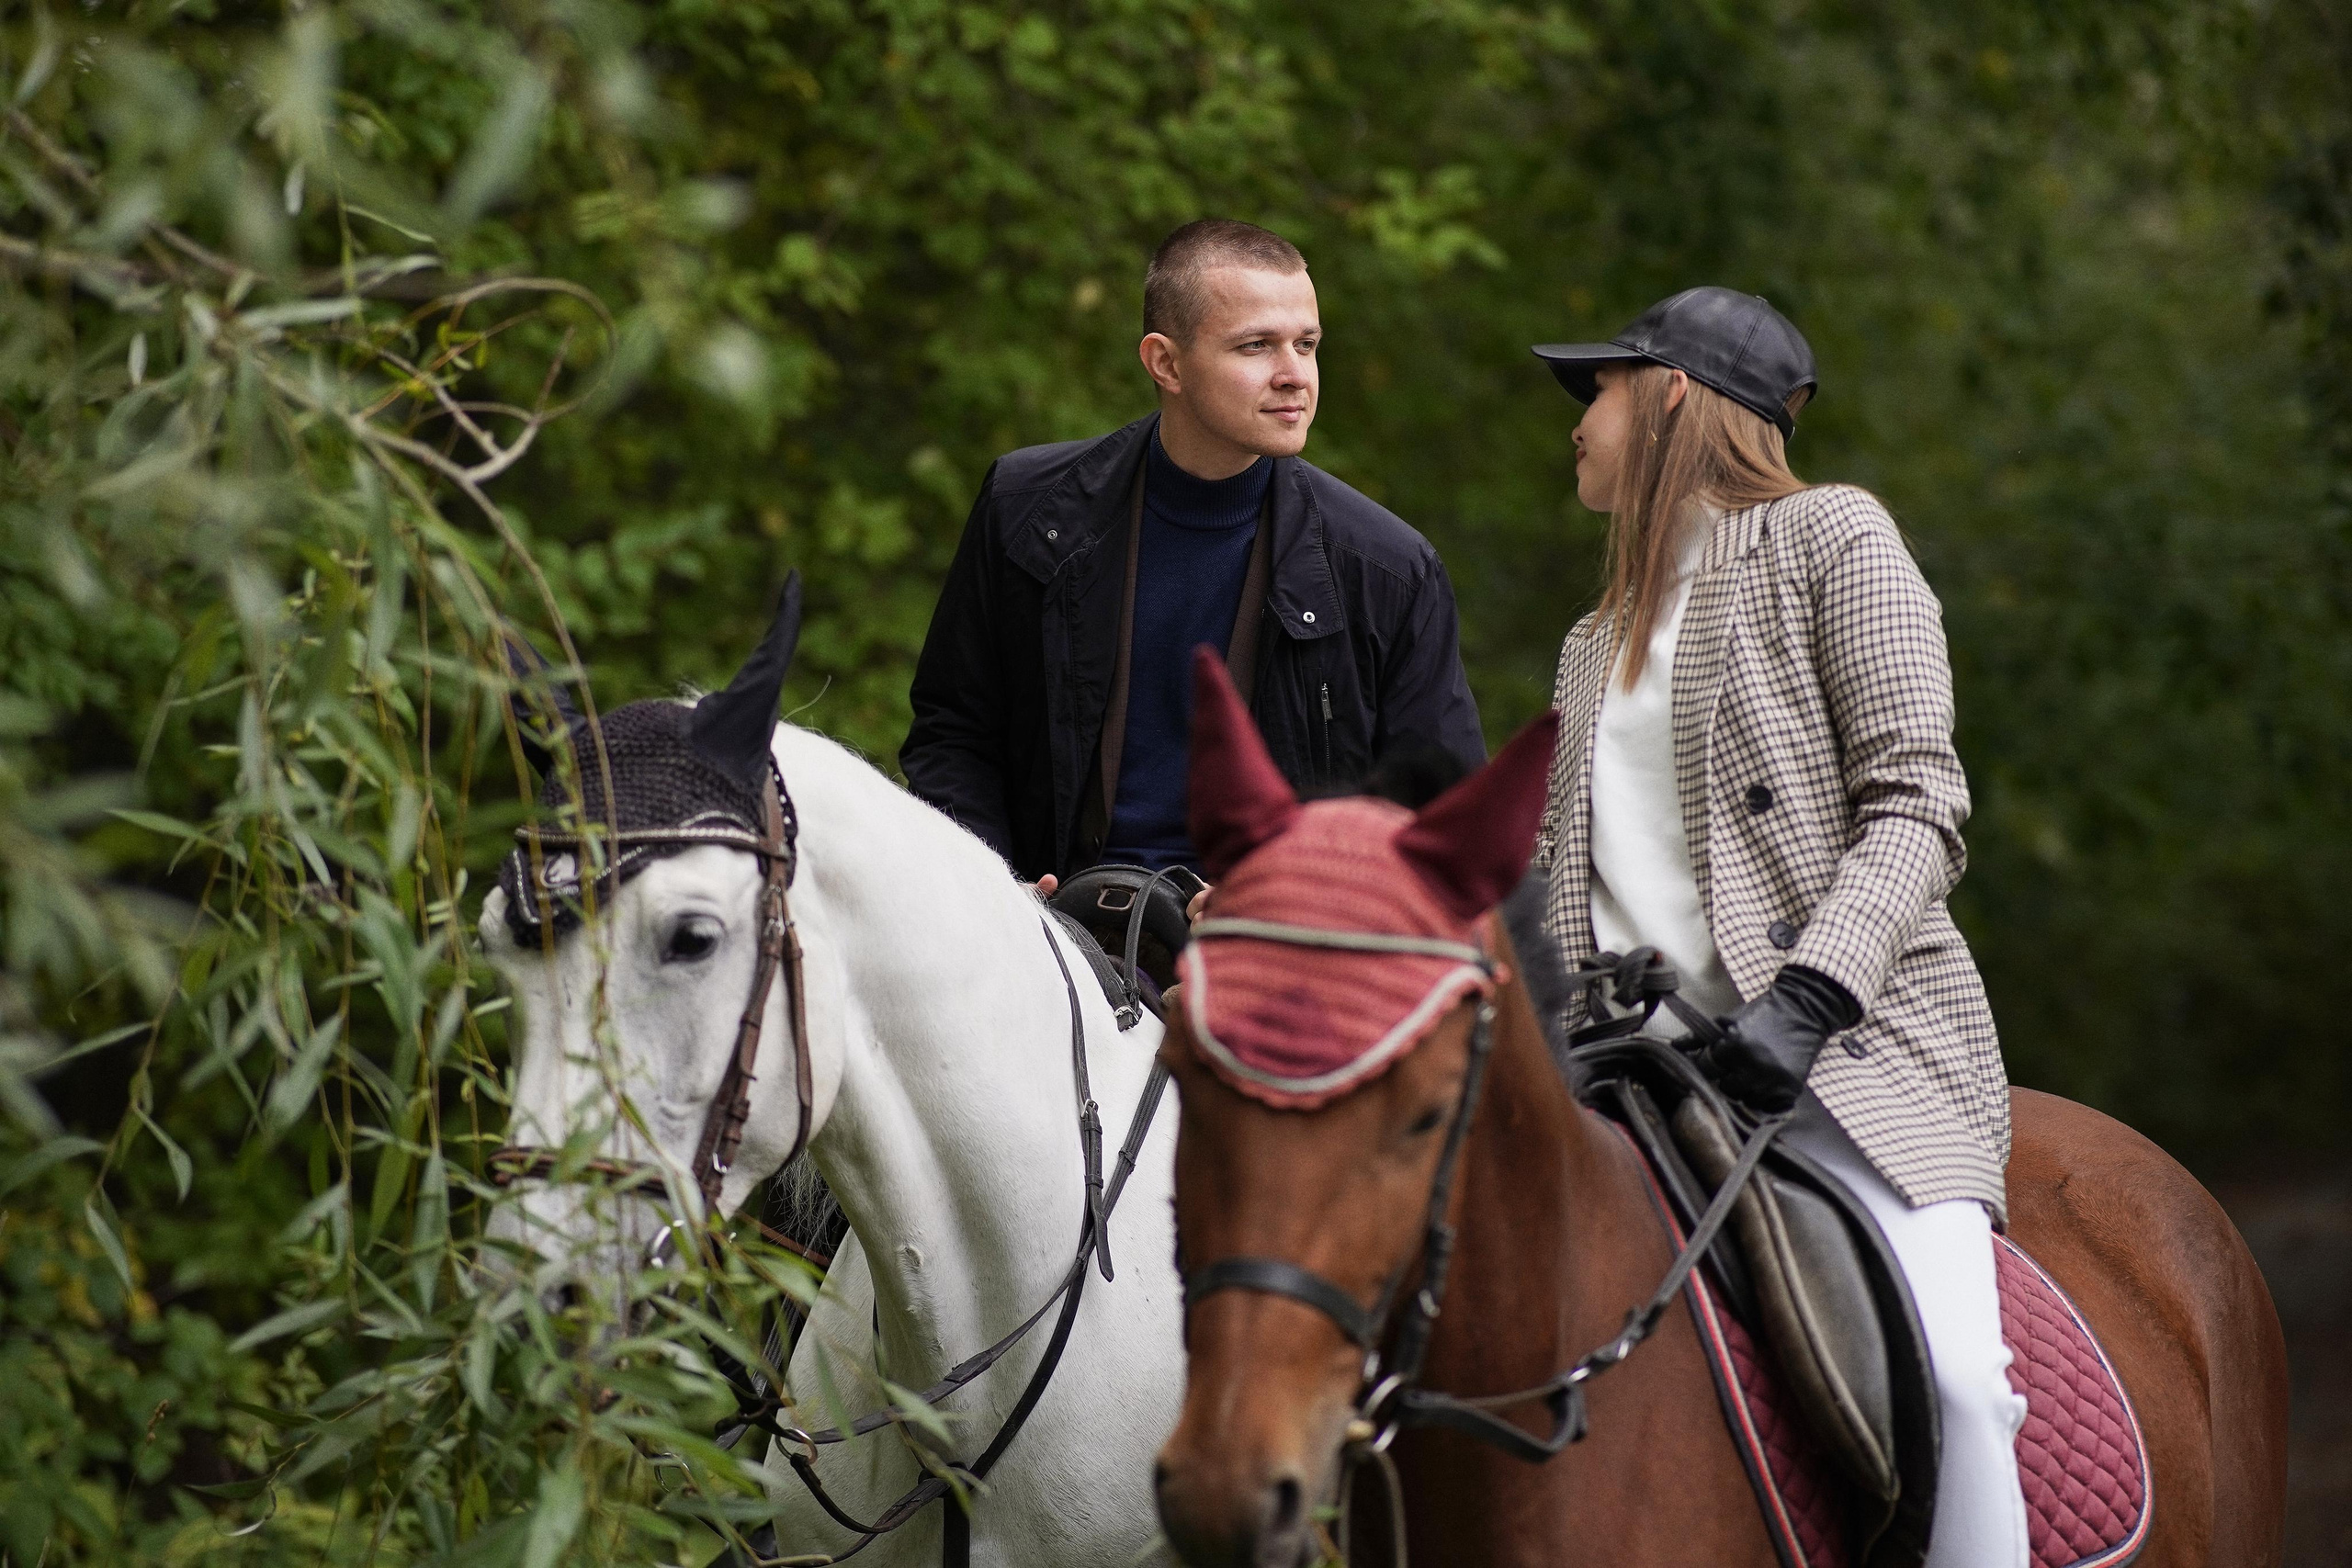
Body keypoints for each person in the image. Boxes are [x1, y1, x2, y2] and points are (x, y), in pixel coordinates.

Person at [1530, 288, 2028, 1566]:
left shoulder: (1834, 539)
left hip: (1841, 1063)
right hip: (1635, 1082)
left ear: (1673, 392)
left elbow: (1920, 799)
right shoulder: (1592, 645)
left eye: (1598, 390)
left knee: (1962, 1384)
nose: (1578, 423)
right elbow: (1554, 877)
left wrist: (1805, 1000)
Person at [902, 219, 1485, 888]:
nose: (1294, 375)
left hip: (1277, 955)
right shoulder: (1027, 508)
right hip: (1046, 944)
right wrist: (996, 890)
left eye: (1307, 343)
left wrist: (1280, 908)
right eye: (1257, 346)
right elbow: (954, 733)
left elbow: (1439, 816)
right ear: (1166, 363)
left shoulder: (1389, 568)